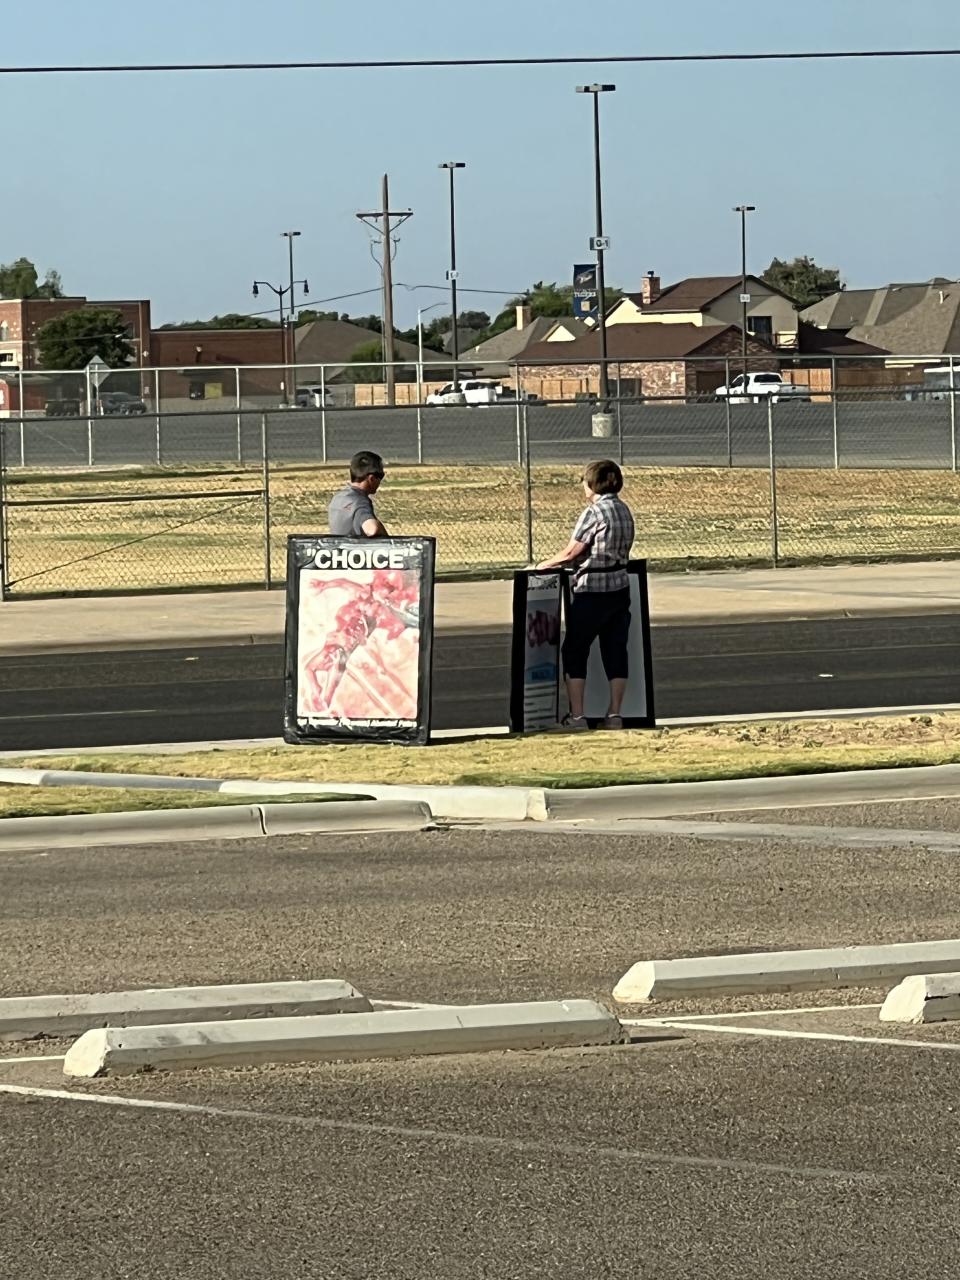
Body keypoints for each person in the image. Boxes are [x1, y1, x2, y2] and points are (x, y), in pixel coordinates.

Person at [536, 459, 635, 731]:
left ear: (593, 484)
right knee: (615, 650)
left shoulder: (594, 512)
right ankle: (615, 714)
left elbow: (572, 552)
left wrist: (542, 566)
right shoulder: (624, 510)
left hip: (592, 590)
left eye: (584, 481)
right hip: (619, 589)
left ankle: (577, 716)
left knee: (575, 650)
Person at [328, 450, 388, 537]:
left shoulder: (337, 498)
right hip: (356, 549)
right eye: (380, 476)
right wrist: (386, 537)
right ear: (371, 478)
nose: (380, 482)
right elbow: (372, 529)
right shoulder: (360, 501)